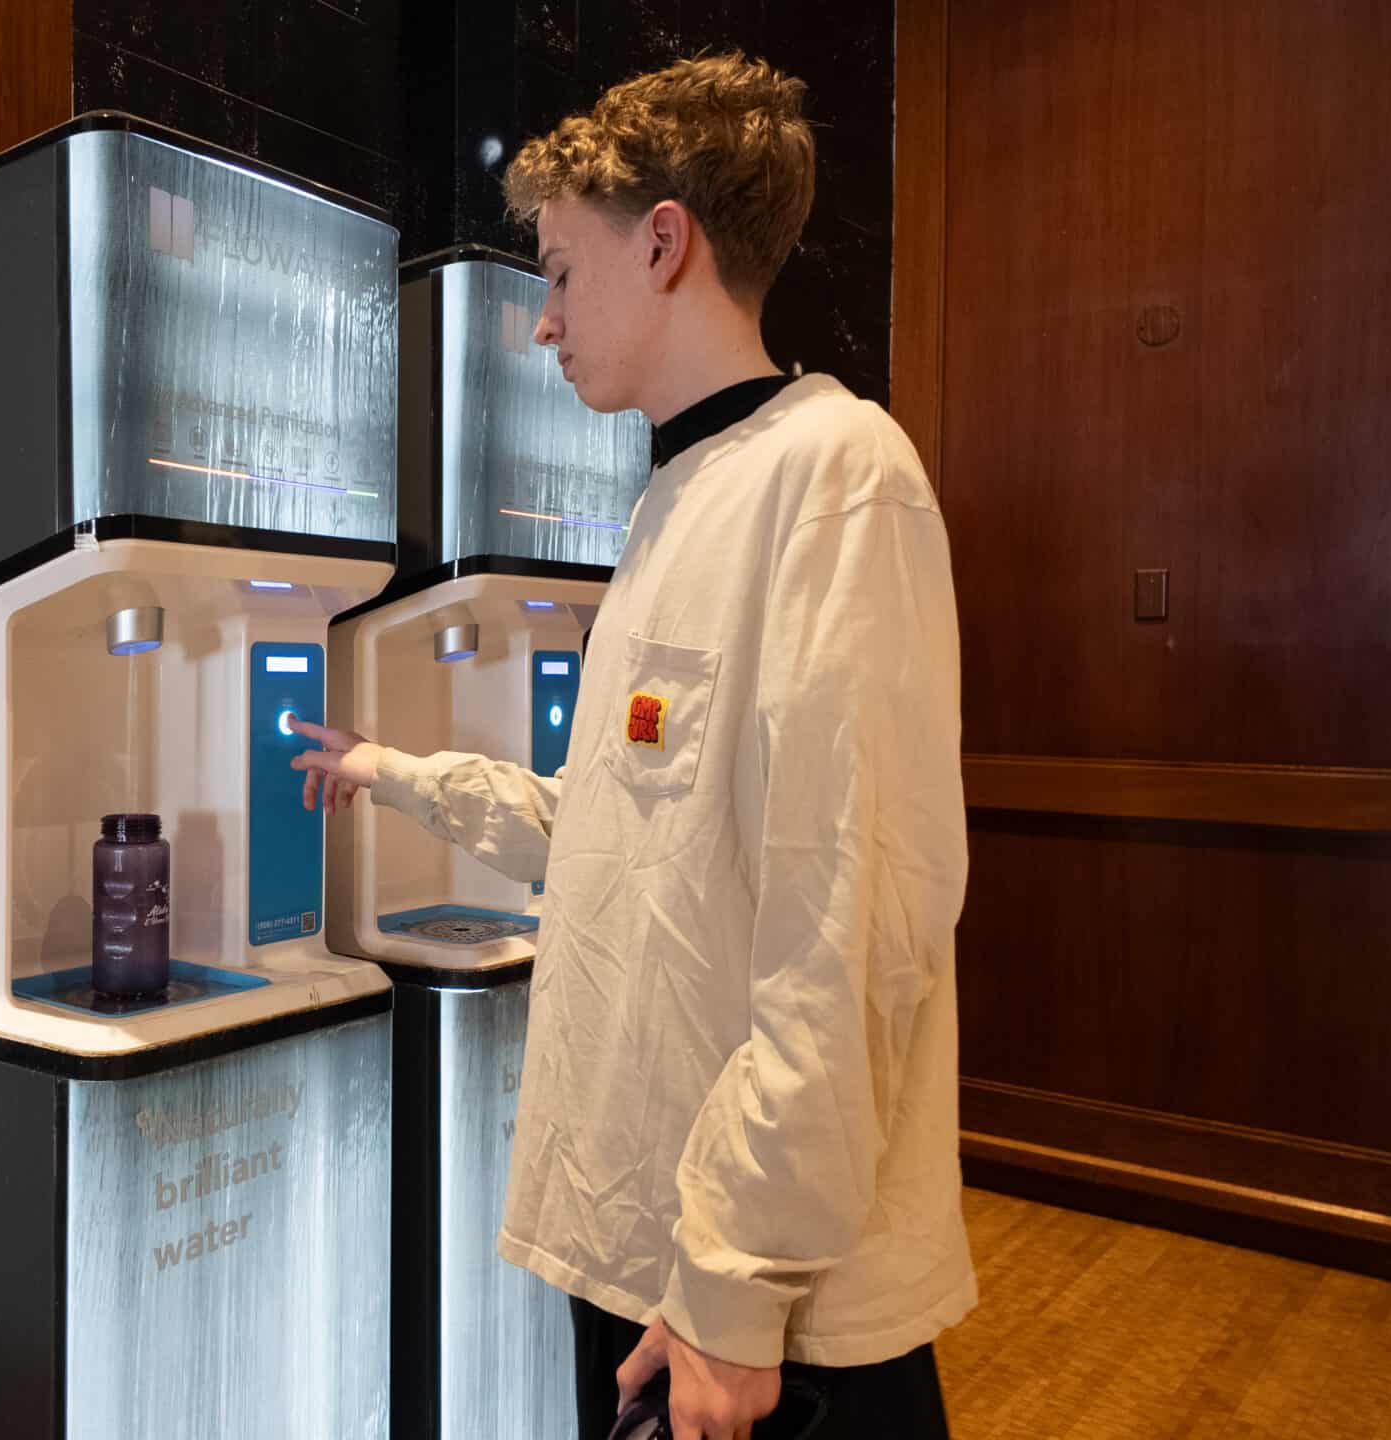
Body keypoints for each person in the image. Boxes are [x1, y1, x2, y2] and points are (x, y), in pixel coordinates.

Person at [292, 52, 973, 1440]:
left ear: (665, 242)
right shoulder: (672, 502)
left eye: (556, 272)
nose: (544, 323)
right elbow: (615, 830)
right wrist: (396, 776)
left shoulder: (836, 474)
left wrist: (731, 1288)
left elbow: (848, 925)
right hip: (648, 1249)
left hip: (764, 1309)